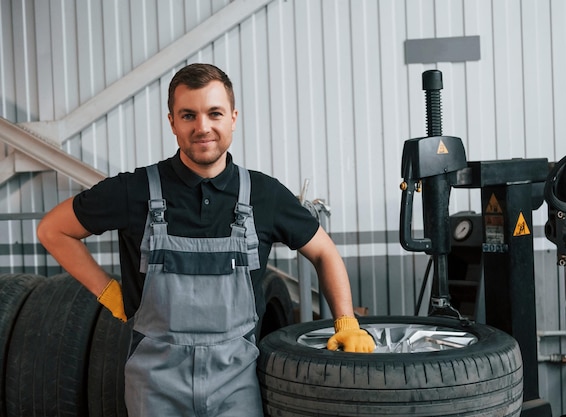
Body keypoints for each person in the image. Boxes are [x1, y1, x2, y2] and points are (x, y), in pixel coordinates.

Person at [37, 63, 374, 417]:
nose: (203, 127)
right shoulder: (133, 190)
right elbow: (53, 230)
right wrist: (108, 291)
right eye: (188, 115)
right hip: (154, 386)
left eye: (214, 113)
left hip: (236, 384)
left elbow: (323, 250)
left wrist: (346, 322)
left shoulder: (264, 194)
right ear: (172, 122)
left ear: (233, 117)